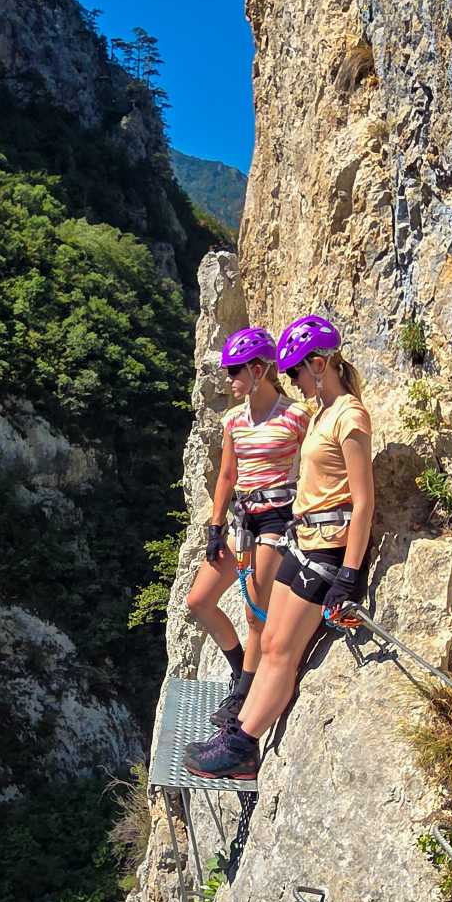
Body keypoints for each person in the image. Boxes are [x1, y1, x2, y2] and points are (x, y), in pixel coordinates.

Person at [185, 314, 374, 781]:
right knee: (268, 638)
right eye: (288, 372)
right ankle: (238, 730)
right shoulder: (322, 414)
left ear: (321, 363)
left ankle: (242, 745)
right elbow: (231, 474)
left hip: (325, 546)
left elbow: (363, 499)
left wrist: (349, 575)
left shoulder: (346, 415)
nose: (292, 379)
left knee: (280, 647)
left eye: (296, 371)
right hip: (301, 538)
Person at [184, 325, 309, 729]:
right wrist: (214, 526)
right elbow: (226, 475)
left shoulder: (294, 416)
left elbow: (319, 465)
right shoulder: (234, 420)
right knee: (198, 600)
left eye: (236, 370)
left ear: (259, 370)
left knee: (256, 614)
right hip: (242, 519)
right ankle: (240, 667)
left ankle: (243, 696)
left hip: (276, 519)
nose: (229, 379)